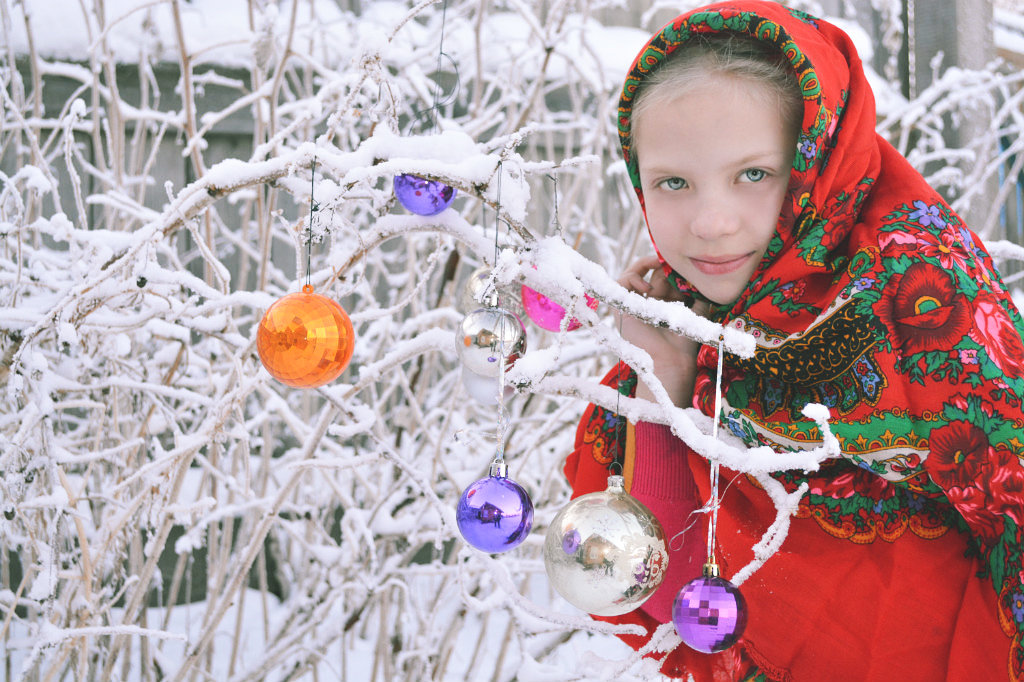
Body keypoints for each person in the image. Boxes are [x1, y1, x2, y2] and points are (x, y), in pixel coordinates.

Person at [563, 1, 1024, 680]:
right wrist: (664, 375)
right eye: (673, 183)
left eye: (754, 173)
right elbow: (676, 601)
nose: (711, 222)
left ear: (819, 160)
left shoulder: (919, 293)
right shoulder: (686, 325)